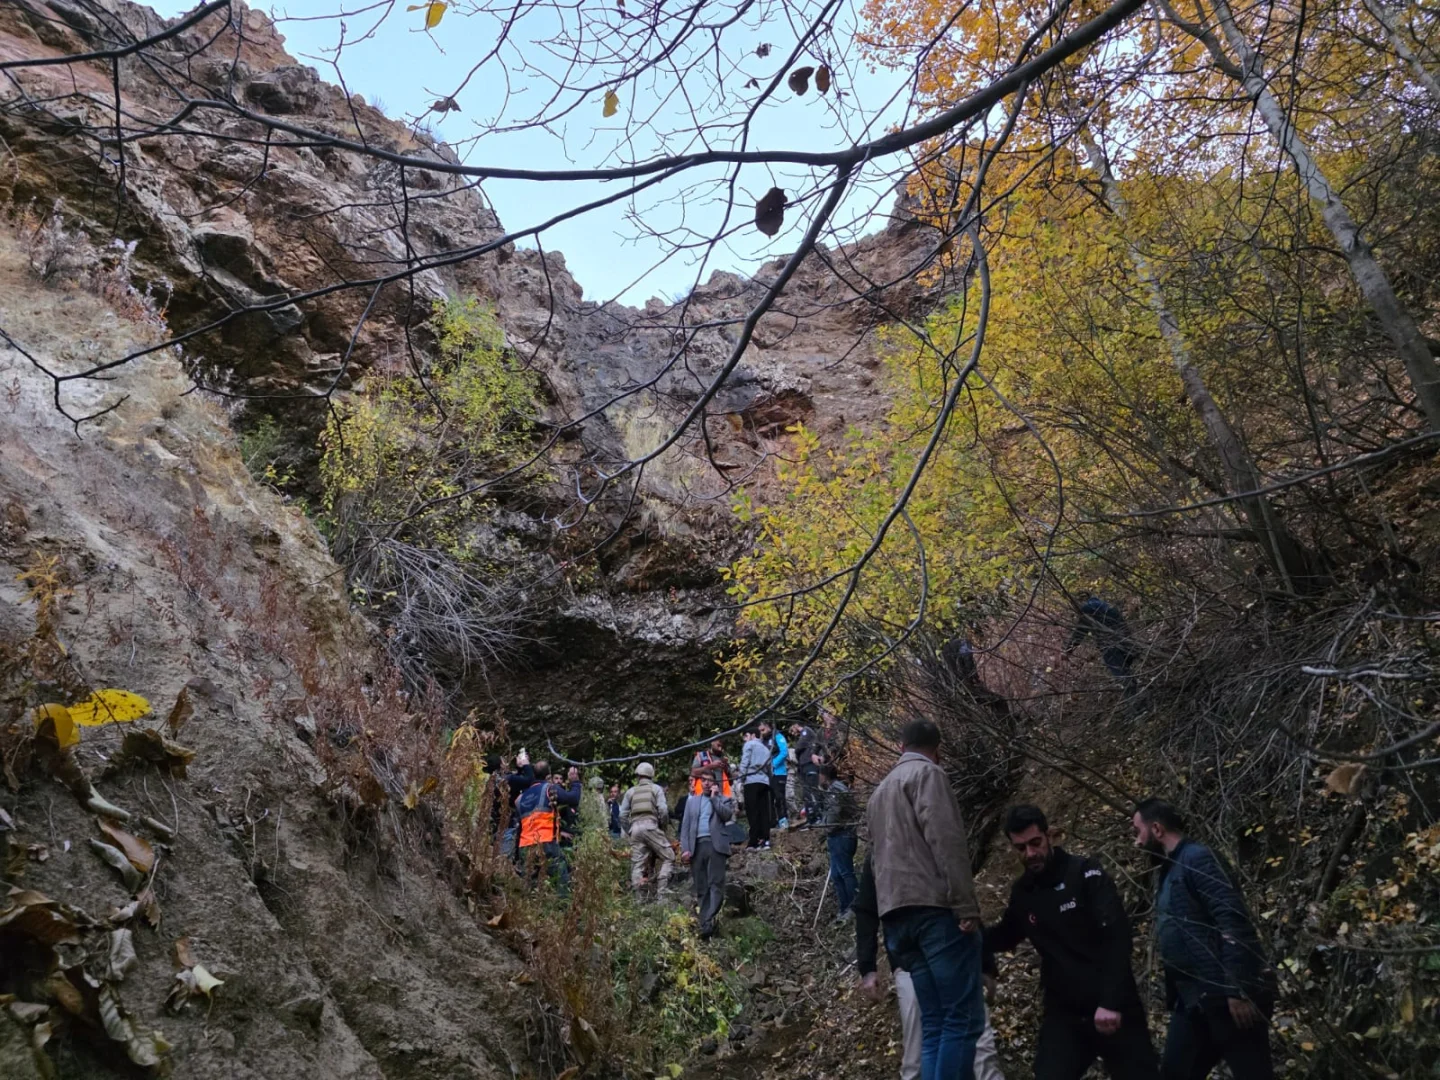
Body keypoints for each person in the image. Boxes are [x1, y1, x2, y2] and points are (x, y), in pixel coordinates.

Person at [985, 805, 1159, 1080]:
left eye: (1035, 843)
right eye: (1020, 848)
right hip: (1065, 1013)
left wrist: (1111, 1001)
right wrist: (962, 935)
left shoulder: (1085, 874)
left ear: (1049, 835)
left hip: (1113, 1006)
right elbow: (1005, 935)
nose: (1030, 854)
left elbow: (1117, 935)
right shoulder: (1023, 892)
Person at [867, 717, 985, 1080]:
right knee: (962, 1021)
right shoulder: (928, 775)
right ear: (937, 751)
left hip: (895, 919)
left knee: (934, 1025)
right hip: (933, 912)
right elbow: (946, 841)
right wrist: (965, 905)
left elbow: (874, 862)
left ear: (901, 746)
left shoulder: (878, 793)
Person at [1132, 798, 1276, 1080]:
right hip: (1194, 999)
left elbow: (1232, 919)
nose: (1137, 842)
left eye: (1138, 832)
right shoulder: (1170, 868)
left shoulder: (1198, 859)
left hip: (1227, 998)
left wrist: (1238, 989)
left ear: (1157, 829)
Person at [856, 856, 1006, 1080]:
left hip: (954, 951)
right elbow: (866, 908)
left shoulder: (929, 839)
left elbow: (960, 898)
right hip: (912, 964)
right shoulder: (881, 849)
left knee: (979, 1045)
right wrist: (867, 967)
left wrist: (986, 963)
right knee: (919, 1053)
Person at [680, 776, 735, 939]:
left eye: (709, 780)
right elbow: (685, 826)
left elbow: (726, 816)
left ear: (715, 784)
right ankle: (705, 924)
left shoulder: (724, 800)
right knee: (701, 886)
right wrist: (685, 849)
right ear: (699, 782)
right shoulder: (692, 802)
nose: (706, 783)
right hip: (696, 846)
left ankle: (709, 918)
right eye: (703, 780)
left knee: (715, 884)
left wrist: (714, 798)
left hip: (715, 845)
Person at [514, 761, 581, 885]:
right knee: (561, 880)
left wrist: (516, 855)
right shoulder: (550, 788)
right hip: (546, 843)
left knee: (532, 884)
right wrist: (575, 782)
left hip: (525, 845)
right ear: (548, 776)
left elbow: (519, 828)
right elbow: (573, 798)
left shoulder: (520, 798)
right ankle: (562, 904)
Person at [1065, 594, 1139, 699]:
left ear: (1080, 601)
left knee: (1121, 674)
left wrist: (1068, 650)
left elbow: (1080, 632)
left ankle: (1137, 703)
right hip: (1126, 640)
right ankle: (1137, 698)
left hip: (1109, 645)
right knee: (1126, 672)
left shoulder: (1087, 609)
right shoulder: (1107, 606)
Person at [620, 761, 674, 900]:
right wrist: (663, 826)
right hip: (651, 825)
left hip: (635, 829)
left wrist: (629, 831)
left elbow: (622, 815)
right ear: (651, 775)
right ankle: (662, 894)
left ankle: (639, 899)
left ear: (638, 775)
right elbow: (663, 810)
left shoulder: (630, 791)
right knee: (669, 856)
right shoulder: (656, 789)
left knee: (637, 865)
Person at [817, 762, 858, 921]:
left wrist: (824, 829)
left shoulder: (835, 791)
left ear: (824, 776)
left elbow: (834, 814)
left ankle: (854, 907)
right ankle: (844, 907)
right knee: (836, 874)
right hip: (838, 835)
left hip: (842, 834)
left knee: (845, 872)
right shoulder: (833, 790)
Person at [739, 728, 772, 849]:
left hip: (751, 780)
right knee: (764, 811)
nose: (745, 739)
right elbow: (770, 767)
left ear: (753, 735)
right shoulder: (765, 748)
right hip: (764, 781)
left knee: (752, 812)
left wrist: (741, 779)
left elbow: (745, 762)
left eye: (746, 735)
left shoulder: (749, 744)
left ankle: (754, 841)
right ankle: (766, 839)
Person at [790, 721, 820, 822]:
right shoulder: (802, 734)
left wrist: (796, 749)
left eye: (792, 728)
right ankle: (810, 817)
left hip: (809, 764)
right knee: (806, 792)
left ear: (796, 725)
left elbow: (799, 747)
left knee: (812, 791)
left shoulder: (806, 731)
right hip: (803, 766)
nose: (792, 732)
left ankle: (816, 816)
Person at [762, 721, 790, 829]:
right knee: (770, 798)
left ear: (769, 727)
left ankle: (783, 819)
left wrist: (773, 764)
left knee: (779, 797)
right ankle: (772, 821)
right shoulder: (762, 741)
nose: (762, 732)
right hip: (767, 774)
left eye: (763, 730)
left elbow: (784, 752)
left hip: (779, 772)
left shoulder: (777, 736)